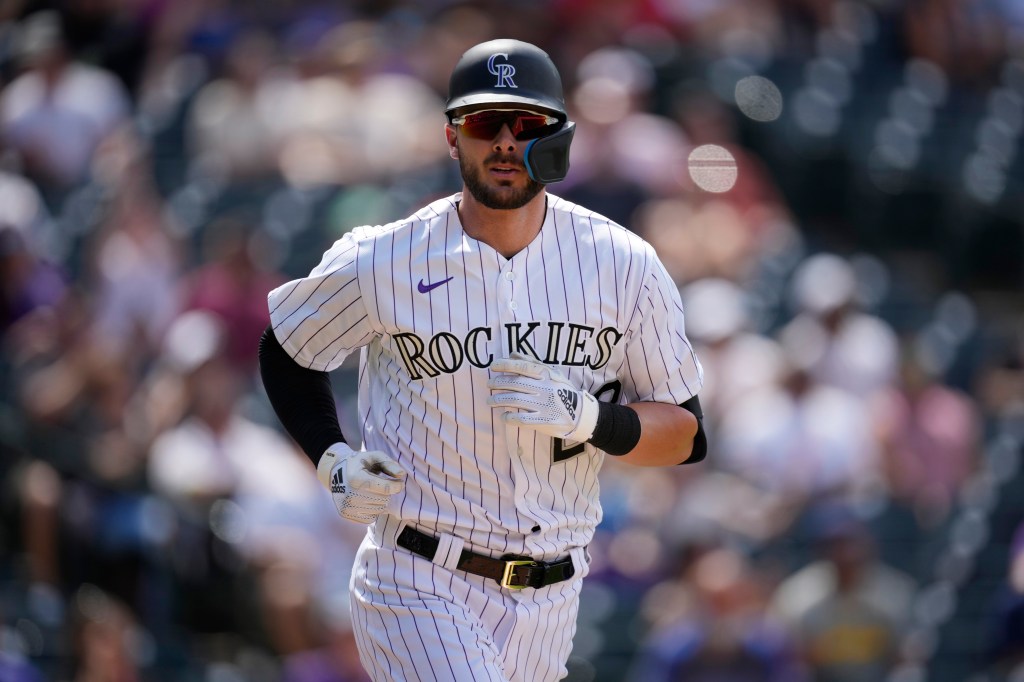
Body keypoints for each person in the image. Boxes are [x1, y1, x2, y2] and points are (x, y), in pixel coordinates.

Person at [258, 38, 708, 681]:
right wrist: (332, 459)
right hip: (416, 579)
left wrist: (589, 420)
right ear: (451, 139)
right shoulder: (385, 259)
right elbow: (286, 349)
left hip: (553, 594)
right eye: (482, 122)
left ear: (559, 136)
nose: (502, 141)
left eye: (524, 124)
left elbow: (685, 434)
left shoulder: (624, 266)